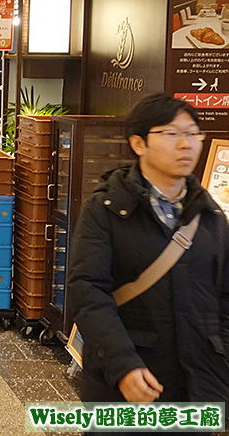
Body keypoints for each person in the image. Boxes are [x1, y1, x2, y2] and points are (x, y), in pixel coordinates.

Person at [68, 92, 229, 408]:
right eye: (171, 134)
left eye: (193, 134)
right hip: (125, 387)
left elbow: (224, 298)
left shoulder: (210, 217)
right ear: (138, 144)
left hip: (197, 389)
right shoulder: (105, 209)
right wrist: (122, 364)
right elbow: (87, 292)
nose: (186, 144)